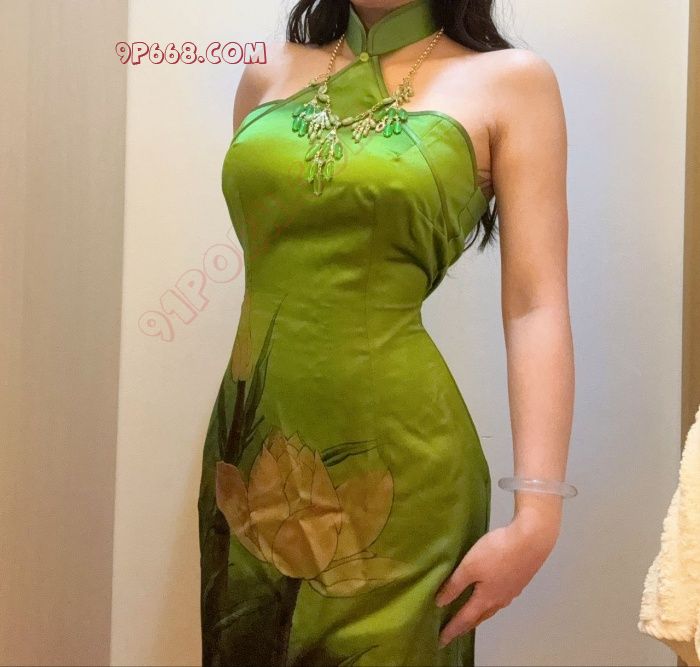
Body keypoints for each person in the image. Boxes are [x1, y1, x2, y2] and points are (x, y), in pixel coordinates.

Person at [197, 1, 575, 665]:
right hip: (247, 453)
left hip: (404, 478)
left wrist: (539, 513)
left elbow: (533, 303)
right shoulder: (266, 72)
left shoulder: (513, 82)